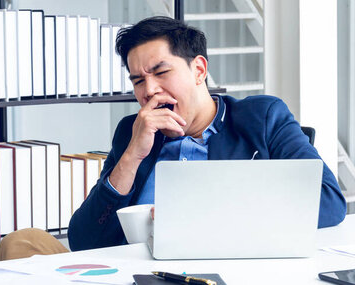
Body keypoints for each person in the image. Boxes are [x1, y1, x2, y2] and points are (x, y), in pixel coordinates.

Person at [66, 16, 347, 251]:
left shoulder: (262, 118)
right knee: (27, 242)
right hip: (135, 274)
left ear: (199, 70)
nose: (149, 90)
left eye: (161, 72)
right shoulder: (132, 131)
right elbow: (84, 241)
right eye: (138, 80)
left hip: (228, 272)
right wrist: (132, 156)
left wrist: (199, 217)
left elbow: (328, 202)